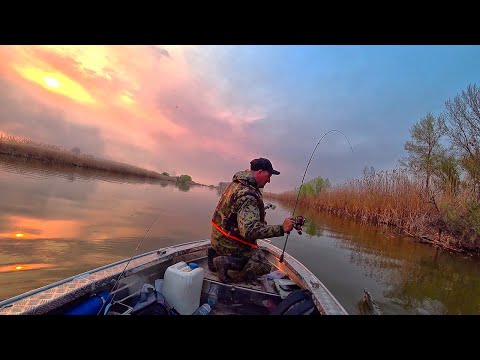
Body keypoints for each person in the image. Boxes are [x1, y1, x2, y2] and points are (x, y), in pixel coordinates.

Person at [208, 157, 296, 283]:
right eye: (268, 176)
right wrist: (281, 228)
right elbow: (249, 231)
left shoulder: (237, 183)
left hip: (217, 238)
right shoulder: (248, 194)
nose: (269, 180)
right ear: (260, 172)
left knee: (255, 252)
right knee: (264, 266)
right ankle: (227, 265)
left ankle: (214, 254)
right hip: (228, 243)